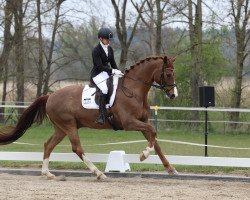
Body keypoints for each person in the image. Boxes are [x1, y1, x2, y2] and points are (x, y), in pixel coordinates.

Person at [91, 27, 123, 124]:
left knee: (118, 84)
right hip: (97, 74)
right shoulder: (95, 50)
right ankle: (101, 115)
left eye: (109, 39)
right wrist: (112, 70)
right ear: (100, 39)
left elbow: (113, 63)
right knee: (105, 89)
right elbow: (99, 66)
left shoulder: (109, 49)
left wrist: (118, 71)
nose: (108, 41)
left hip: (107, 72)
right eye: (106, 39)